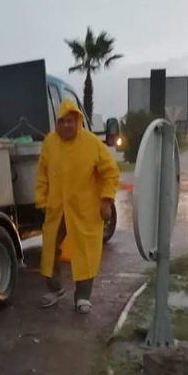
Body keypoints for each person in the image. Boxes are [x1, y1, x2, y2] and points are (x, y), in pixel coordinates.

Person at [34, 99, 120, 314]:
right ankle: (55, 289)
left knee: (85, 252)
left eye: (70, 121)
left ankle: (83, 297)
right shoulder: (49, 143)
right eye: (61, 121)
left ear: (77, 121)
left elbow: (110, 172)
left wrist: (106, 200)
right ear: (57, 122)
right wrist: (42, 201)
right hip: (57, 209)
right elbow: (42, 175)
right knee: (50, 249)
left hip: (85, 211)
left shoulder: (91, 143)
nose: (66, 125)